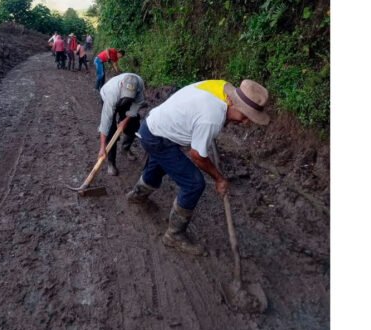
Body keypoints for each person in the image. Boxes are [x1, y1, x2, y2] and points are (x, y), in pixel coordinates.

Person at [126, 79, 270, 256]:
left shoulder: (220, 88)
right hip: (158, 135)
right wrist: (219, 178)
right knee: (194, 184)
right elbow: (197, 155)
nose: (246, 122)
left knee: (160, 165)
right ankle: (174, 235)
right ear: (232, 102)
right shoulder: (212, 118)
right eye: (245, 115)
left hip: (156, 125)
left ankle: (137, 195)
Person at [97, 73, 145, 176]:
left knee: (134, 125)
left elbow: (138, 104)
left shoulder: (139, 84)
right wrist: (102, 146)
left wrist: (125, 120)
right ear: (122, 84)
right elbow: (105, 122)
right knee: (111, 130)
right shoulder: (112, 93)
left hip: (128, 102)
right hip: (108, 98)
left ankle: (125, 148)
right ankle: (111, 162)